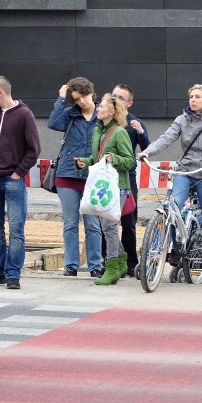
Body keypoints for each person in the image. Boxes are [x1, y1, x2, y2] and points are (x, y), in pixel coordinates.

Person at [139, 84, 202, 285]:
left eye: (197, 97)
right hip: (185, 170)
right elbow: (166, 138)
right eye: (191, 96)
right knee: (171, 207)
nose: (193, 100)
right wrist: (148, 151)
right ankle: (158, 250)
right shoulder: (182, 120)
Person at [0, 76, 41, 290]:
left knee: (16, 228)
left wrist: (18, 172)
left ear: (0, 92)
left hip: (13, 180)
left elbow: (34, 149)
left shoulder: (24, 115)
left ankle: (13, 274)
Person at [74, 93, 135, 285]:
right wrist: (84, 163)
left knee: (109, 226)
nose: (98, 108)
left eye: (102, 107)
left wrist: (114, 159)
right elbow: (96, 159)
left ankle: (111, 267)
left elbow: (130, 161)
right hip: (104, 186)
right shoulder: (97, 131)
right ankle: (121, 260)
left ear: (112, 111)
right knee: (107, 226)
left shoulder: (119, 132)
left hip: (119, 187)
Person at [47, 77, 104, 278]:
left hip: (93, 176)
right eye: (77, 99)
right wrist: (61, 99)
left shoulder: (103, 114)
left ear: (91, 93)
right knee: (70, 222)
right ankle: (71, 264)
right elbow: (53, 123)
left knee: (92, 223)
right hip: (67, 174)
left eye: (84, 97)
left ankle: (95, 264)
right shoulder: (69, 114)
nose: (82, 102)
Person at [111, 84, 150, 277]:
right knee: (106, 219)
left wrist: (141, 133)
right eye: (114, 96)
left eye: (120, 97)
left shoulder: (134, 123)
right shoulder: (105, 119)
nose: (116, 99)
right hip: (107, 176)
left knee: (129, 221)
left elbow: (147, 149)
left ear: (129, 103)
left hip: (127, 177)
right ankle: (108, 259)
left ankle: (131, 262)